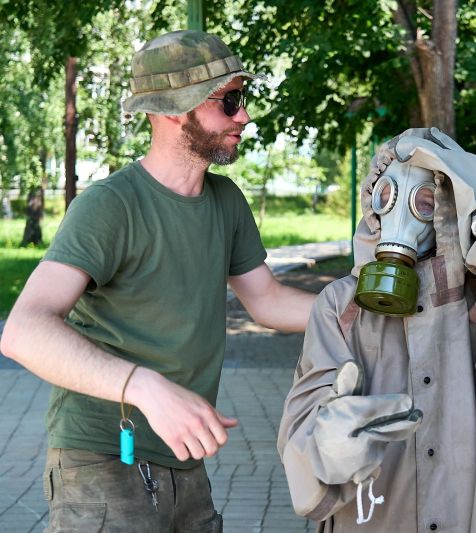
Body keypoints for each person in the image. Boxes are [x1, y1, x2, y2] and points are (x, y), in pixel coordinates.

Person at [0, 30, 316, 531]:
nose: (244, 117)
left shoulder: (226, 201)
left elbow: (268, 301)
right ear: (174, 108)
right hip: (101, 460)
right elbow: (22, 331)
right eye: (229, 101)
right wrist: (142, 386)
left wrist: (359, 303)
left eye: (242, 100)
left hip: (186, 460)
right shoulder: (110, 206)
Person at [277, 127, 476, 532]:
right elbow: (303, 414)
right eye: (387, 198)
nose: (401, 217)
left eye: (424, 203)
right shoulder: (341, 306)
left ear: (450, 208)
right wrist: (326, 444)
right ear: (373, 205)